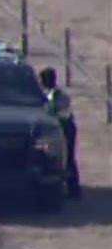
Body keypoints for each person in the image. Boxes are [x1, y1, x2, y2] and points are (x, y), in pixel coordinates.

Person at [39, 66, 82, 199]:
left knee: (68, 157)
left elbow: (59, 112)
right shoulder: (47, 94)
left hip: (64, 127)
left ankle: (73, 189)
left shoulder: (58, 95)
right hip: (56, 127)